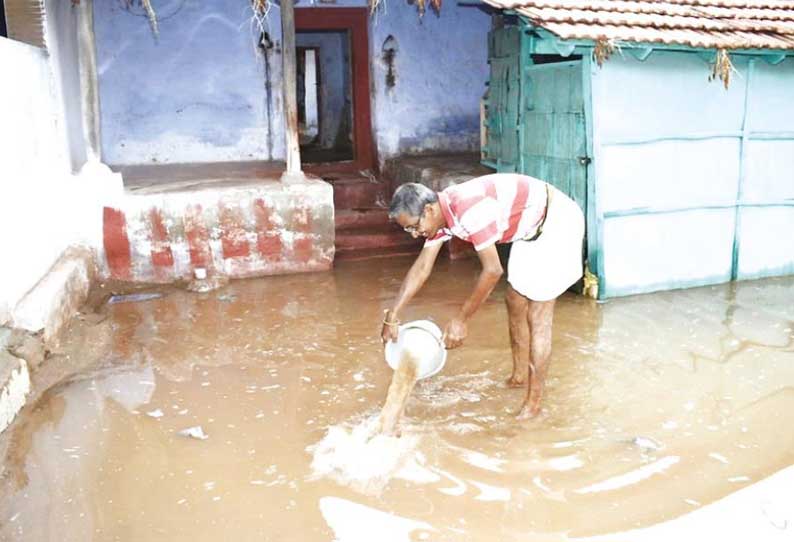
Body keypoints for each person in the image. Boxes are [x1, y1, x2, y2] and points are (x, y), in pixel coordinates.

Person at [380, 173, 584, 418]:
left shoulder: (469, 211)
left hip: (555, 222)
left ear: (430, 210)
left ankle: (533, 405)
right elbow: (422, 268)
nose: (414, 234)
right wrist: (393, 314)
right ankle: (519, 377)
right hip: (529, 227)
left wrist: (461, 320)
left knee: (538, 313)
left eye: (414, 226)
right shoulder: (441, 217)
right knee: (515, 298)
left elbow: (492, 270)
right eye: (408, 230)